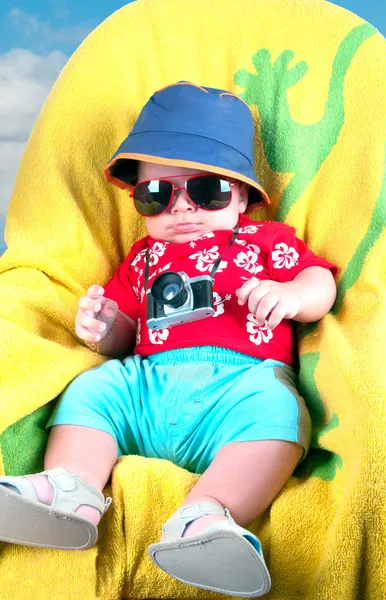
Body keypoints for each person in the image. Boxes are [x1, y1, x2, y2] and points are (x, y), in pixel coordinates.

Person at [0, 82, 337, 598]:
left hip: (240, 384)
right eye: (156, 195)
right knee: (93, 389)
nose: (181, 209)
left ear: (243, 195)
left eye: (206, 191)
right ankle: (71, 489)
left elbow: (322, 282)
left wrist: (290, 295)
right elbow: (124, 336)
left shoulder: (265, 240)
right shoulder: (142, 258)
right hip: (147, 384)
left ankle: (207, 518)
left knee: (279, 413)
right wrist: (103, 327)